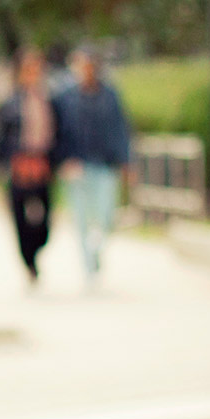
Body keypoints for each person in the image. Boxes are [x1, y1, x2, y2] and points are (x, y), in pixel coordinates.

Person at [55, 50, 131, 284]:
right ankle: (88, 265)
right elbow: (58, 134)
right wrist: (64, 160)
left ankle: (97, 251)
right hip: (77, 167)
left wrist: (127, 161)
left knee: (107, 216)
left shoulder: (110, 95)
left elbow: (121, 128)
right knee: (81, 219)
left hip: (105, 165)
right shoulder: (65, 98)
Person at [0, 50, 59, 283]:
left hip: (42, 163)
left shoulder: (50, 100)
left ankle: (38, 247)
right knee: (20, 217)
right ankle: (28, 261)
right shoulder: (10, 102)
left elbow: (61, 133)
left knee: (45, 218)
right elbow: (0, 136)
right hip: (19, 164)